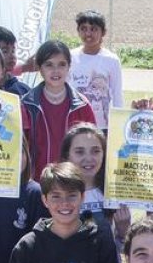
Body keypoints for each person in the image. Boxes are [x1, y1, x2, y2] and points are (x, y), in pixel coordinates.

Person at [22, 40, 97, 181]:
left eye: (62, 64)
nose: (56, 70)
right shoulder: (26, 105)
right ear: (39, 68)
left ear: (69, 66)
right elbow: (21, 148)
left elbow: (92, 147)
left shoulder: (82, 105)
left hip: (72, 183)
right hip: (37, 182)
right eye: (49, 65)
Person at [61, 123, 130, 247]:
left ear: (104, 154)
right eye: (79, 152)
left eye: (95, 151)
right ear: (67, 155)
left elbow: (122, 250)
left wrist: (123, 232)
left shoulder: (115, 193)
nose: (88, 158)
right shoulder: (56, 194)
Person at [69, 10, 123, 130]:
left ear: (103, 32)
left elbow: (117, 95)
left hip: (102, 126)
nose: (88, 33)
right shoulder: (70, 57)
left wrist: (117, 125)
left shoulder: (111, 60)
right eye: (83, 29)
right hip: (75, 125)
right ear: (78, 31)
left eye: (93, 29)